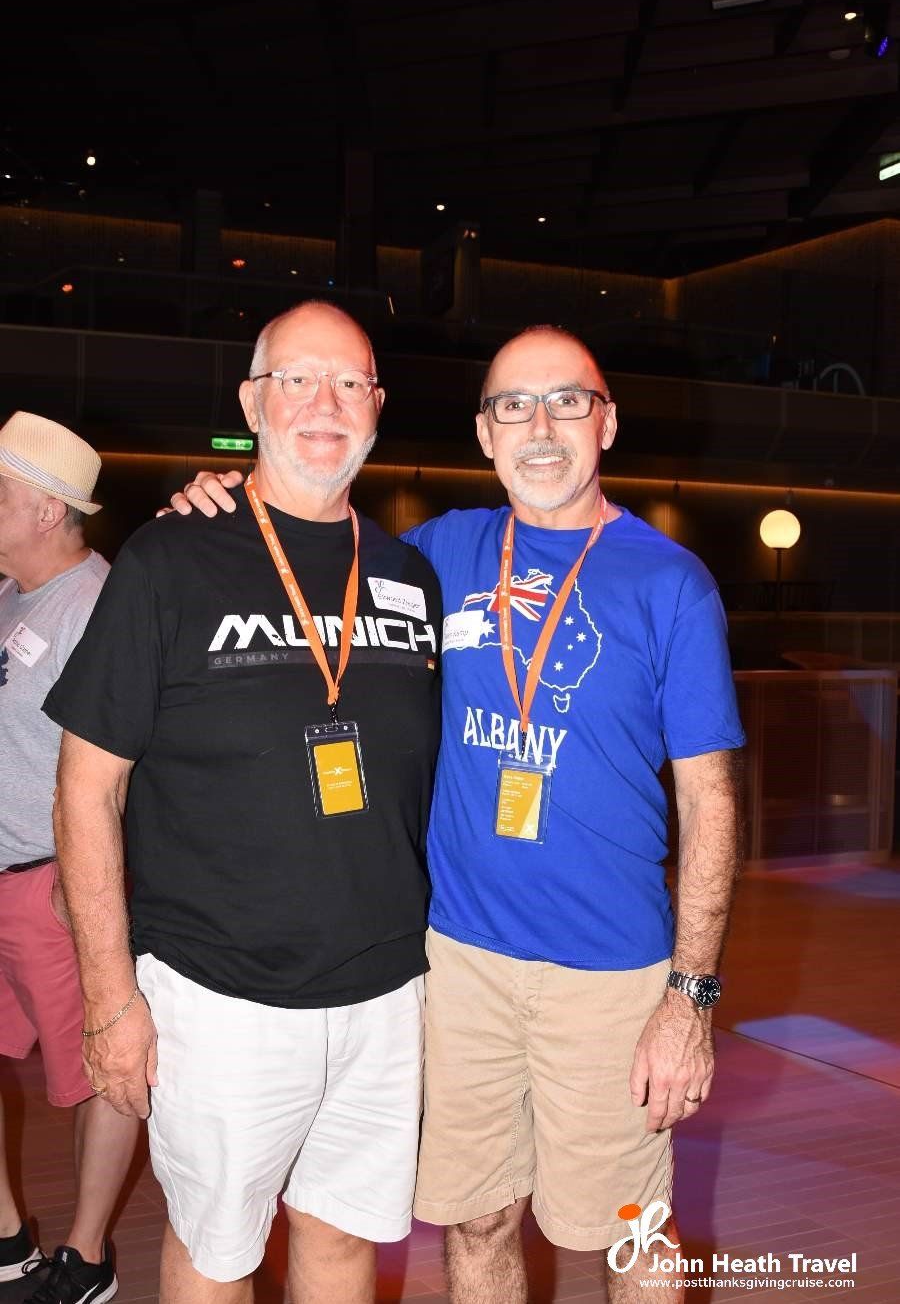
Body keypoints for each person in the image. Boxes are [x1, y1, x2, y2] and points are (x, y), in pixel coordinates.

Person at [174, 323, 744, 1304]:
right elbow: (301, 547)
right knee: (475, 1214)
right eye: (513, 404)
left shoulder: (670, 583)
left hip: (609, 972)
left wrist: (689, 1000)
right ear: (484, 432)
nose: (540, 424)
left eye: (568, 399)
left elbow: (711, 798)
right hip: (456, 964)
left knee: (629, 1225)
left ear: (606, 420)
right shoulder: (436, 554)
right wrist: (218, 497)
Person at [43, 302, 441, 1304]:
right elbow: (87, 786)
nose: (325, 403)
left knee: (344, 1241)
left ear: (378, 408)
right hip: (219, 999)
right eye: (297, 379)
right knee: (216, 1257)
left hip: (386, 992)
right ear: (252, 401)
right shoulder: (169, 561)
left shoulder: (408, 575)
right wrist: (109, 998)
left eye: (350, 382)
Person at [0, 412, 139, 1304]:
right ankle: (8, 1238)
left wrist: (89, 890)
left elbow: (128, 773)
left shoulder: (100, 607)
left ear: (49, 509)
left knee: (104, 1073)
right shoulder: (10, 592)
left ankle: (86, 1255)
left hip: (52, 884)